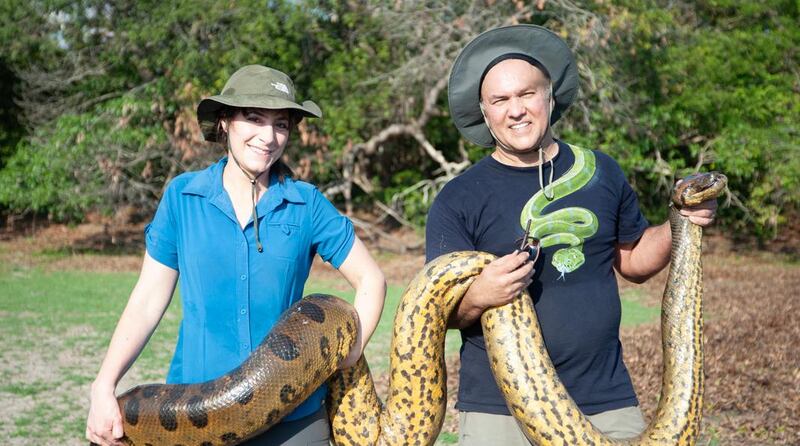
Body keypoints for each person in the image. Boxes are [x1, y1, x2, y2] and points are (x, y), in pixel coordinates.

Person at [425, 25, 718, 444]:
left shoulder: (602, 172)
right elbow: (439, 312)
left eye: (527, 94)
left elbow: (633, 261)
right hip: (500, 411)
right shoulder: (458, 197)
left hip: (605, 399)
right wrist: (479, 295)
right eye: (500, 100)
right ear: (485, 113)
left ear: (550, 97)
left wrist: (682, 218)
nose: (516, 110)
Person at [86, 65, 387, 446]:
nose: (269, 136)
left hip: (295, 420)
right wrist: (103, 385)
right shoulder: (183, 197)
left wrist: (350, 351)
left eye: (281, 124)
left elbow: (371, 280)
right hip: (198, 416)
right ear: (225, 121)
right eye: (254, 119)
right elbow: (147, 302)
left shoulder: (306, 203)